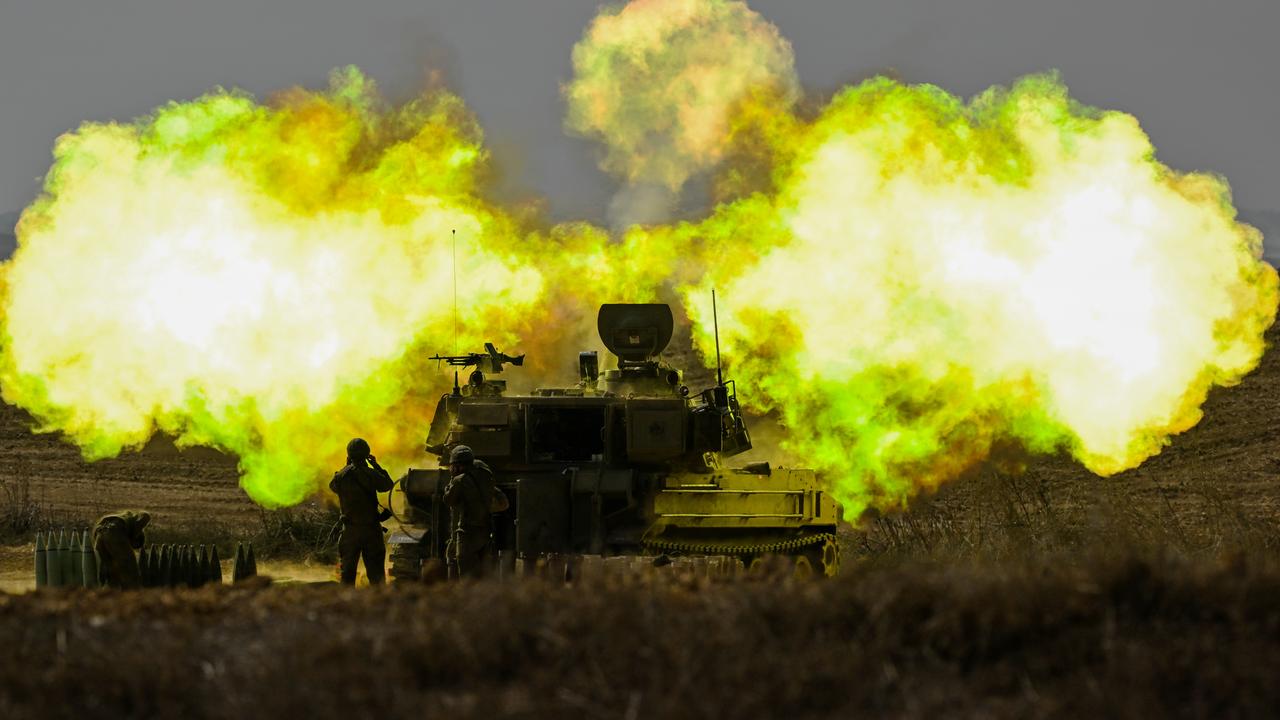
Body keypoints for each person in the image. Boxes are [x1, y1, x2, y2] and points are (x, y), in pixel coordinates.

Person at [329, 437, 394, 585]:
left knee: (347, 575)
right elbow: (387, 485)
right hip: (371, 531)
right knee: (376, 576)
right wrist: (376, 465)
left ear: (349, 455)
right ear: (367, 454)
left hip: (350, 531)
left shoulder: (340, 476)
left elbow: (333, 486)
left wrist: (346, 466)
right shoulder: (372, 474)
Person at [443, 444, 509, 579]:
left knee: (466, 574)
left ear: (456, 466)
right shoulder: (484, 474)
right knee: (484, 574)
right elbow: (503, 503)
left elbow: (448, 500)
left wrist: (449, 485)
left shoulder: (459, 481)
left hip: (466, 533)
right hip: (485, 530)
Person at [92, 510, 150, 589]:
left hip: (100, 533)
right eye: (133, 545)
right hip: (114, 531)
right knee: (131, 568)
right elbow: (146, 516)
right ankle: (133, 594)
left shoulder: (122, 519)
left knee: (109, 570)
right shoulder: (133, 523)